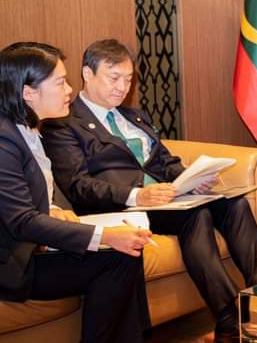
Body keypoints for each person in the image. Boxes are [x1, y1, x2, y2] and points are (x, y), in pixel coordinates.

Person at [42, 39, 257, 342]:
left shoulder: (134, 117)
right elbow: (79, 186)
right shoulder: (63, 124)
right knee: (196, 216)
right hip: (122, 207)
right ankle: (229, 316)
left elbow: (165, 162)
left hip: (166, 199)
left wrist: (191, 178)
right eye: (114, 78)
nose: (122, 87)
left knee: (235, 205)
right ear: (87, 74)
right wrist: (137, 195)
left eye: (128, 79)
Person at [0, 42, 153, 342]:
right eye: (60, 83)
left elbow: (24, 198)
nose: (70, 90)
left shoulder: (28, 130)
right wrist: (105, 236)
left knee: (126, 253)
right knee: (119, 256)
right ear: (28, 93)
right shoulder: (4, 143)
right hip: (12, 263)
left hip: (31, 248)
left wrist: (55, 211)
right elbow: (22, 221)